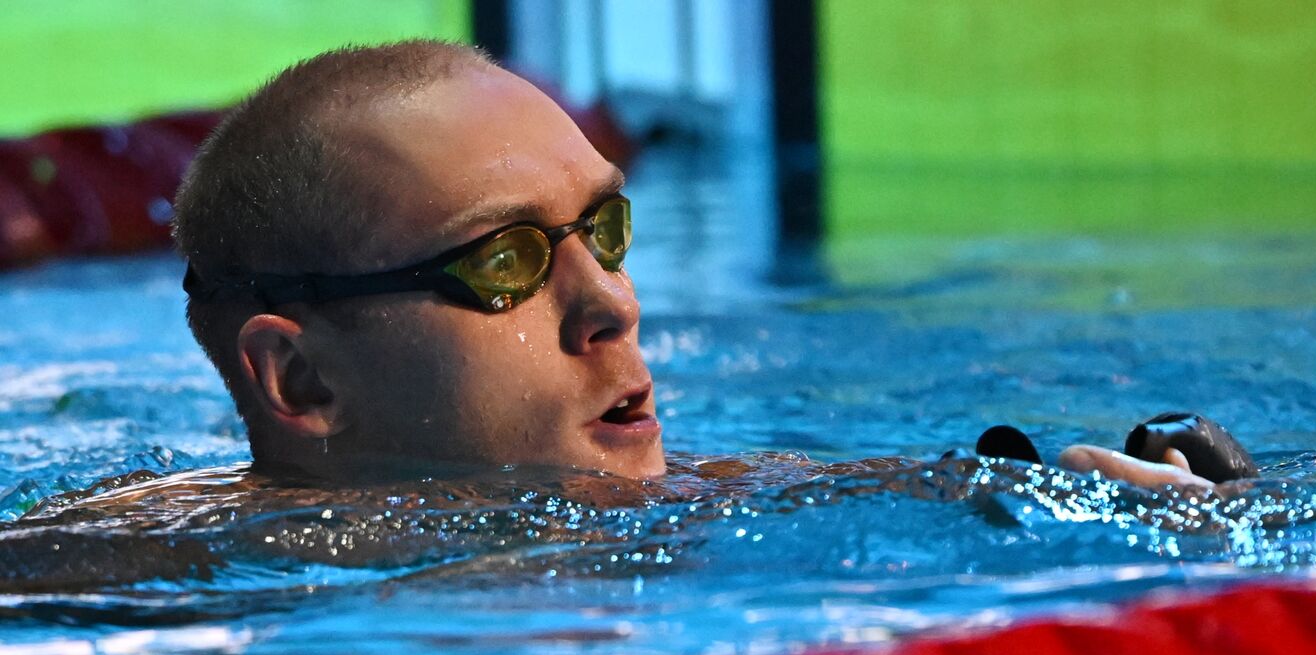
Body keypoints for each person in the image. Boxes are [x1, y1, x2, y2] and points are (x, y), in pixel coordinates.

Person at [172, 39, 1211, 495]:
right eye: (503, 260)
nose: (611, 306)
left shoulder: (669, 501)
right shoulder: (158, 583)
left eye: (603, 231)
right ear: (302, 382)